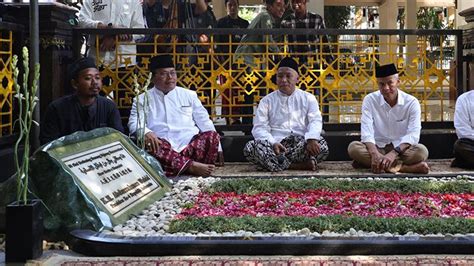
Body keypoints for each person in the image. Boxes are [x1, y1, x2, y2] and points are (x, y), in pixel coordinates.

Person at [128, 55, 224, 177]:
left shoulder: (189, 95)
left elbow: (205, 122)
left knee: (212, 135)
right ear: (153, 77)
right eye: (164, 74)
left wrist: (218, 147)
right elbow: (134, 123)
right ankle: (192, 166)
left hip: (189, 146)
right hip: (161, 146)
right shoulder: (142, 99)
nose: (170, 78)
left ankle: (177, 165)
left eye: (173, 73)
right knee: (148, 146)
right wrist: (146, 132)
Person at [243, 57, 329, 172]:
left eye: (288, 76)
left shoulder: (309, 98)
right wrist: (273, 143)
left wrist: (311, 139)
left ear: (297, 78)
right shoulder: (266, 101)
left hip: (300, 144)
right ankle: (298, 165)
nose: (284, 80)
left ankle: (277, 164)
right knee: (250, 147)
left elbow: (315, 121)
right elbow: (259, 128)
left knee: (322, 145)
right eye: (280, 76)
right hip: (275, 146)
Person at [347, 63, 430, 174]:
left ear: (398, 82)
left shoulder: (411, 102)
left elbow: (413, 135)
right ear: (377, 84)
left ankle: (373, 164)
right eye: (381, 84)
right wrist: (374, 154)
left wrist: (393, 153)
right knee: (353, 148)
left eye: (390, 83)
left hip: (401, 151)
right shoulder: (370, 100)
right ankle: (405, 168)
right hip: (378, 148)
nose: (386, 88)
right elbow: (367, 132)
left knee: (421, 151)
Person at [40, 57, 124, 145]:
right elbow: (49, 143)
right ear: (75, 84)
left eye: (97, 77)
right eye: (88, 78)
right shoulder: (57, 108)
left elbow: (118, 138)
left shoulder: (109, 107)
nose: (95, 82)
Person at [234, 0, 285, 124]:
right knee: (252, 92)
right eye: (278, 5)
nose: (282, 9)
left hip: (249, 60)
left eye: (283, 6)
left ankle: (252, 124)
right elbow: (267, 39)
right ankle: (251, 125)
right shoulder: (265, 16)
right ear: (269, 6)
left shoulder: (266, 18)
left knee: (252, 92)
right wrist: (280, 55)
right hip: (247, 60)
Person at [78, 0, 145, 67]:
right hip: (96, 60)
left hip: (124, 62)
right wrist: (106, 27)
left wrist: (114, 37)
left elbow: (140, 30)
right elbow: (82, 21)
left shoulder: (134, 2)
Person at [215, 0, 249, 125]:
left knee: (239, 90)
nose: (233, 7)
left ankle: (237, 117)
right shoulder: (221, 23)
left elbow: (248, 44)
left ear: (238, 6)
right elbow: (216, 44)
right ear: (226, 7)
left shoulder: (245, 24)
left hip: (240, 63)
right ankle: (228, 117)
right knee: (226, 91)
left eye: (235, 5)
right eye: (230, 5)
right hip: (225, 62)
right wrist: (221, 60)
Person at [452, 89, 474, 169]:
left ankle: (466, 162)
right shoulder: (464, 99)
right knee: (460, 145)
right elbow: (462, 130)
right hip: (472, 142)